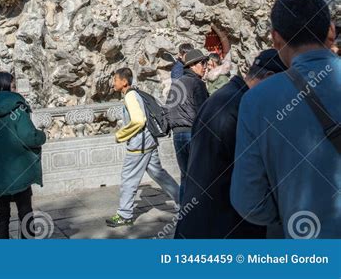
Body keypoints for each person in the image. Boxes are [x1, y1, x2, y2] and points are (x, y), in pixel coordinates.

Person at [231, 0, 341, 238]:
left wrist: (293, 212)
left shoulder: (256, 100)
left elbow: (249, 201)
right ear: (331, 31)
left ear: (276, 39)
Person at [175, 49, 286, 239]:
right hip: (222, 228)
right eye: (285, 86)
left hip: (201, 222)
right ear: (269, 77)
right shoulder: (240, 107)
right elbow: (250, 179)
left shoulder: (226, 97)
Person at [0, 71, 46, 239]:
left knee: (2, 215)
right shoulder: (18, 111)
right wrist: (42, 135)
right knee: (25, 212)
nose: (15, 89)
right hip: (19, 173)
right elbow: (30, 137)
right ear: (5, 87)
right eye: (13, 86)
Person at [106, 67, 179, 228]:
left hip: (139, 146)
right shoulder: (136, 93)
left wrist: (121, 135)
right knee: (159, 174)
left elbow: (138, 120)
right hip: (149, 142)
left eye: (115, 80)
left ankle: (124, 215)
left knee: (128, 178)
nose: (113, 83)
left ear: (124, 82)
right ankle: (183, 202)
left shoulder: (130, 96)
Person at [166, 48, 209, 201]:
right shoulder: (197, 83)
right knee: (199, 176)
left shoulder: (177, 84)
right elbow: (204, 112)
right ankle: (198, 214)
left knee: (185, 176)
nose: (206, 66)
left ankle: (184, 213)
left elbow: (168, 109)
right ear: (192, 65)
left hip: (177, 135)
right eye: (202, 63)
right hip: (192, 132)